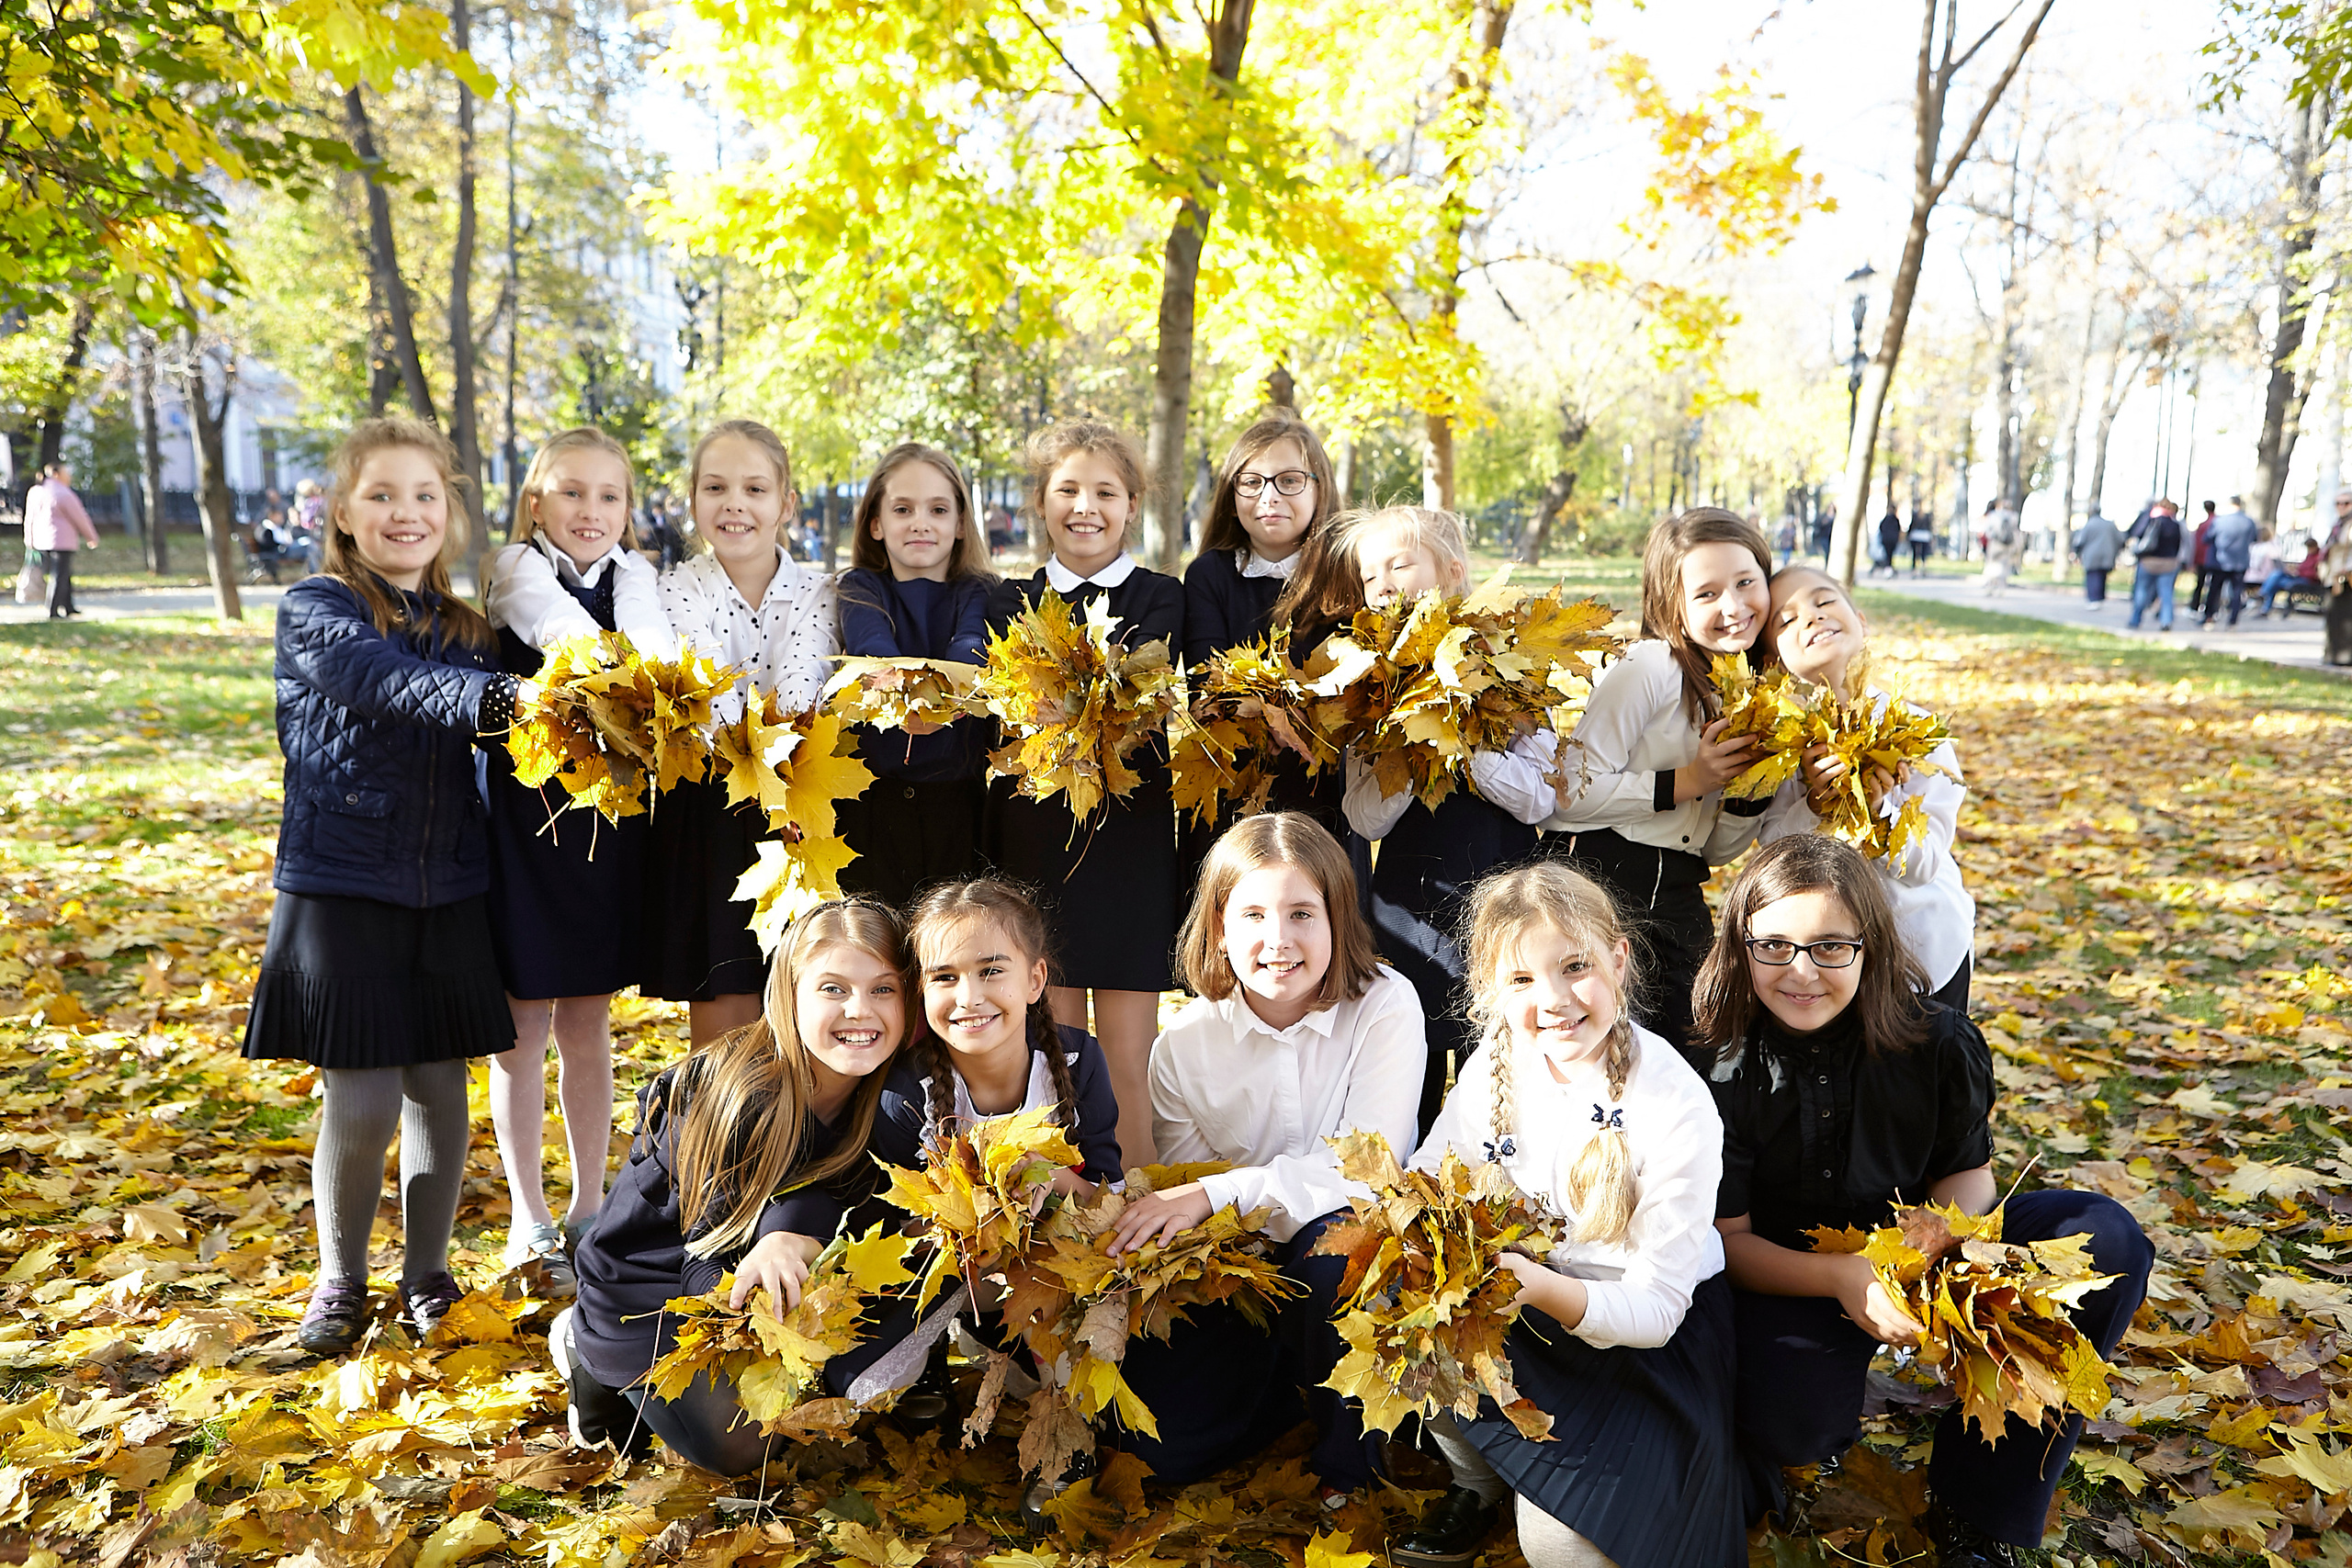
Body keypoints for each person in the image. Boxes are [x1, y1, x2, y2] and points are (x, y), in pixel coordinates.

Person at [1694, 835, 2154, 1568]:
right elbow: (1727, 1241)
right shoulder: (1719, 1065)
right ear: (1740, 945)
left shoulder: (1936, 1040)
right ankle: (1754, 1454)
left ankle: (1979, 1502)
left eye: (1830, 946)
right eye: (1774, 945)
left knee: (2109, 1238)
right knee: (1796, 1424)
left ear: (1870, 946)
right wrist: (1844, 1279)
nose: (1802, 970)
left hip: (1920, 1249)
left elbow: (1966, 1175)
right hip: (1791, 1272)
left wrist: (1948, 1265)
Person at [242, 417, 520, 1355]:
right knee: (359, 1103)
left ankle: (428, 1278)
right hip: (343, 885)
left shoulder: (475, 630)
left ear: (450, 512)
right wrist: (490, 702)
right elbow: (388, 683)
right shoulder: (316, 611)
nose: (407, 513)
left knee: (441, 1091)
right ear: (342, 513)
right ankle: (339, 1285)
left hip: (449, 888)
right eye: (383, 495)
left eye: (425, 495)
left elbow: (525, 729)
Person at [1392, 863, 1742, 1568]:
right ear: (1493, 988)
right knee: (1408, 1323)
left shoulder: (1673, 1098)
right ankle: (1477, 1481)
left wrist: (1538, 1287)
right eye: (1521, 980)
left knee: (1564, 1551)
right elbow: (1428, 1181)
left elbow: (1656, 1309)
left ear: (1618, 958)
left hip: (1644, 1342)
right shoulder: (1496, 1061)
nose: (1552, 1000)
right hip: (1524, 1314)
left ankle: (1563, 1487)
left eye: (1574, 965)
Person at [1110, 812, 1424, 1504]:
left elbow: (1369, 1168)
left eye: (1301, 913)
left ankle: (1352, 1462)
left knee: (1338, 1252)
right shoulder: (1184, 1044)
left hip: (1350, 1250)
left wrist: (1223, 1193)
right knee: (1157, 1451)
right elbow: (1194, 1199)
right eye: (1252, 914)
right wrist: (1211, 1208)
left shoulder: (1386, 1007)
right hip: (1245, 1266)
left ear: (1339, 920)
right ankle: (1280, 1390)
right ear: (1220, 926)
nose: (1277, 939)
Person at [552, 899, 911, 1472]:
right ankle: (580, 1344)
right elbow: (702, 1255)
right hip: (660, 1277)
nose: (859, 1011)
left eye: (883, 989)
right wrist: (769, 1318)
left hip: (787, 1270)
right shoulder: (737, 1092)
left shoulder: (893, 1094)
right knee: (744, 1445)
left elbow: (851, 1200)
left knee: (817, 1418)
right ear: (788, 997)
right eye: (833, 989)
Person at [842, 877, 1122, 1510]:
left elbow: (1104, 1188)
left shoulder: (1077, 1063)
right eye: (943, 977)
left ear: (1034, 978)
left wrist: (1047, 1180)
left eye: (991, 969)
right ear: (921, 991)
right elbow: (886, 1226)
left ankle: (1061, 1441)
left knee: (1081, 1288)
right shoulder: (905, 1093)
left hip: (1052, 1267)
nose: (968, 996)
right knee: (861, 1384)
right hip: (943, 1274)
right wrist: (965, 1221)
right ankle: (937, 1358)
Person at [481, 427, 675, 1292]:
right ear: (535, 501)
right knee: (522, 1029)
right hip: (525, 826)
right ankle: (528, 1213)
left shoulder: (636, 580)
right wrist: (621, 660)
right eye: (571, 493)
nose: (590, 512)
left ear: (628, 511)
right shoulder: (517, 572)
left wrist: (646, 641)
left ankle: (591, 1203)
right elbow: (561, 632)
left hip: (605, 827)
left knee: (587, 1025)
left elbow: (661, 647)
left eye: (609, 497)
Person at [985, 420, 1182, 1168]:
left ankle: (1136, 1214)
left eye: (1105, 492)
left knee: (1129, 1054)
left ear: (1132, 505)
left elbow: (1139, 696)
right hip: (1036, 843)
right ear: (1041, 502)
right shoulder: (1010, 600)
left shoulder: (1163, 596)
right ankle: (1061, 1219)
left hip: (1130, 848)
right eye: (1067, 489)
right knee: (1054, 1051)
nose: (1085, 507)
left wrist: (1065, 695)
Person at [1337, 506, 1560, 1135]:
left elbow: (1542, 798)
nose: (1381, 582)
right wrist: (1413, 744)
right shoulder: (1374, 683)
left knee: (1505, 1049)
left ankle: (1501, 1179)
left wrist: (1462, 738)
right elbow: (1364, 816)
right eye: (1369, 574)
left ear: (1453, 573)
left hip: (1505, 895)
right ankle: (1411, 1191)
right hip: (1412, 907)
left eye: (1399, 564)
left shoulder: (1510, 668)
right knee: (1415, 1060)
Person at [1539, 508, 1773, 1068]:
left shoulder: (1750, 690)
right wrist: (1689, 780)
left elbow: (1713, 850)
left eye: (1745, 582)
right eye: (1707, 593)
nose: (1733, 606)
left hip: (1679, 891)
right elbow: (1566, 794)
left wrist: (1747, 795)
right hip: (1605, 881)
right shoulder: (1651, 666)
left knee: (1693, 1050)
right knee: (1608, 1055)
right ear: (1672, 603)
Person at [643, 421, 840, 1043]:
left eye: (754, 489)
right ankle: (719, 1138)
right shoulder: (675, 587)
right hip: (710, 806)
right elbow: (713, 696)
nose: (734, 503)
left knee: (803, 999)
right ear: (694, 500)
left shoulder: (823, 591)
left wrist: (780, 776)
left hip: (801, 802)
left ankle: (799, 1141)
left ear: (785, 503)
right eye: (716, 487)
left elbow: (802, 690)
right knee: (721, 1006)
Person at [1760, 568, 1975, 1011]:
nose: (1812, 619)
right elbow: (1771, 851)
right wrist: (1815, 806)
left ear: (1860, 620)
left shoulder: (1917, 733)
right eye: (1786, 621)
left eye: (1824, 602)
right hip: (1824, 964)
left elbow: (1925, 861)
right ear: (1773, 659)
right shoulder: (1781, 748)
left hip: (1925, 950)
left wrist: (1876, 811)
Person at [833, 444, 995, 906]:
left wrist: (938, 702)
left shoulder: (980, 591)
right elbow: (874, 650)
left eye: (938, 509)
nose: (920, 522)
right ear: (876, 523)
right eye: (903, 509)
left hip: (960, 804)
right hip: (873, 804)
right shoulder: (860, 587)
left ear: (960, 524)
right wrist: (912, 697)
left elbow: (968, 651)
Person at [23, 462, 98, 619]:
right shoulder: (63, 493)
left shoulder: (35, 492)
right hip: (61, 540)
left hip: (41, 540)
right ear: (56, 474)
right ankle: (53, 608)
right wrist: (91, 537)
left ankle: (68, 605)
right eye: (66, 473)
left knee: (63, 573)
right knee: (59, 574)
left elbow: (29, 517)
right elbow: (80, 517)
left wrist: (29, 538)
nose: (69, 477)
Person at [2124, 499, 2183, 631]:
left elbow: (2136, 533)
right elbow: (2178, 544)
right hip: (2169, 562)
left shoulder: (2150, 520)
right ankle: (2166, 620)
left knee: (2141, 591)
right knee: (2166, 593)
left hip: (2148, 561)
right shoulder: (2174, 524)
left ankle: (2135, 619)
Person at [2202, 496, 2257, 629]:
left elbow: (2207, 538)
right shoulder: (2249, 522)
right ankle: (2233, 620)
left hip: (2220, 561)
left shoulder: (2219, 521)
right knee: (2237, 592)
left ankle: (2209, 616)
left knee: (2214, 590)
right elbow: (2254, 539)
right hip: (2240, 562)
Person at [2254, 534, 2321, 617]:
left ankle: (2263, 594)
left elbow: (2314, 573)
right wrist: (2294, 570)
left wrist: (2298, 572)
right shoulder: (2309, 556)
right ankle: (2264, 604)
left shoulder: (2319, 557)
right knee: (2276, 575)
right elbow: (2303, 568)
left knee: (2279, 581)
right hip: (2298, 577)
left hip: (2307, 580)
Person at [2071, 507, 2121, 607]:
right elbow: (2120, 539)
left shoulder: (2090, 524)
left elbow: (2080, 540)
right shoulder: (2109, 525)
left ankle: (2094, 599)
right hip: (2107, 555)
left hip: (2092, 556)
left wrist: (2076, 552)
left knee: (2093, 577)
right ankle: (2100, 598)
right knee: (2102, 577)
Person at [2326, 490, 2352, 665]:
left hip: (2346, 576)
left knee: (2345, 618)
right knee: (2334, 617)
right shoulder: (2338, 523)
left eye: (2346, 503)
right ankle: (2333, 655)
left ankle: (2344, 657)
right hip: (2333, 575)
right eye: (2338, 503)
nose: (2341, 507)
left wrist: (2347, 568)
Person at [2185, 500, 2219, 616]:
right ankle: (2212, 609)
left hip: (2202, 559)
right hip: (2215, 559)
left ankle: (2195, 606)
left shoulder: (2204, 525)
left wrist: (2193, 561)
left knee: (2200, 584)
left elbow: (2198, 544)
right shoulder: (2218, 522)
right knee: (2214, 586)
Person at [1874, 507, 1901, 580]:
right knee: (1890, 555)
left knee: (1887, 555)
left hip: (1886, 540)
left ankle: (1888, 569)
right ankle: (1888, 569)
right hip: (1892, 540)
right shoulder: (1895, 520)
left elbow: (1881, 528)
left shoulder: (1886, 519)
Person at [1905, 508, 1934, 574]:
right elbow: (1929, 526)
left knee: (1915, 553)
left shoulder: (1915, 515)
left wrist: (1908, 534)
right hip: (1924, 535)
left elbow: (1912, 525)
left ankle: (1914, 568)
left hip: (1916, 534)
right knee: (1924, 552)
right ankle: (1923, 566)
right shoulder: (1927, 516)